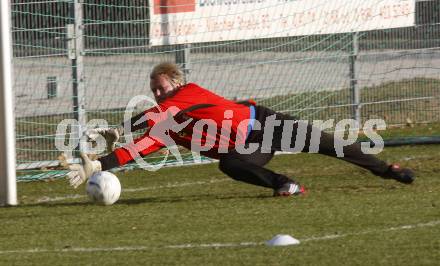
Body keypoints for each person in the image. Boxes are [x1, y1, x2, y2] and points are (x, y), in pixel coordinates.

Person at [66, 62, 415, 196]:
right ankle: (286, 185)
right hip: (248, 148)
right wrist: (99, 165)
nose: (158, 92)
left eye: (161, 86)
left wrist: (121, 127)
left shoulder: (187, 93)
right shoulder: (167, 125)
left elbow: (156, 112)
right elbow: (138, 149)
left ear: (176, 82)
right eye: (154, 88)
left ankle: (386, 170)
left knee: (328, 144)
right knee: (230, 163)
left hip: (263, 123)